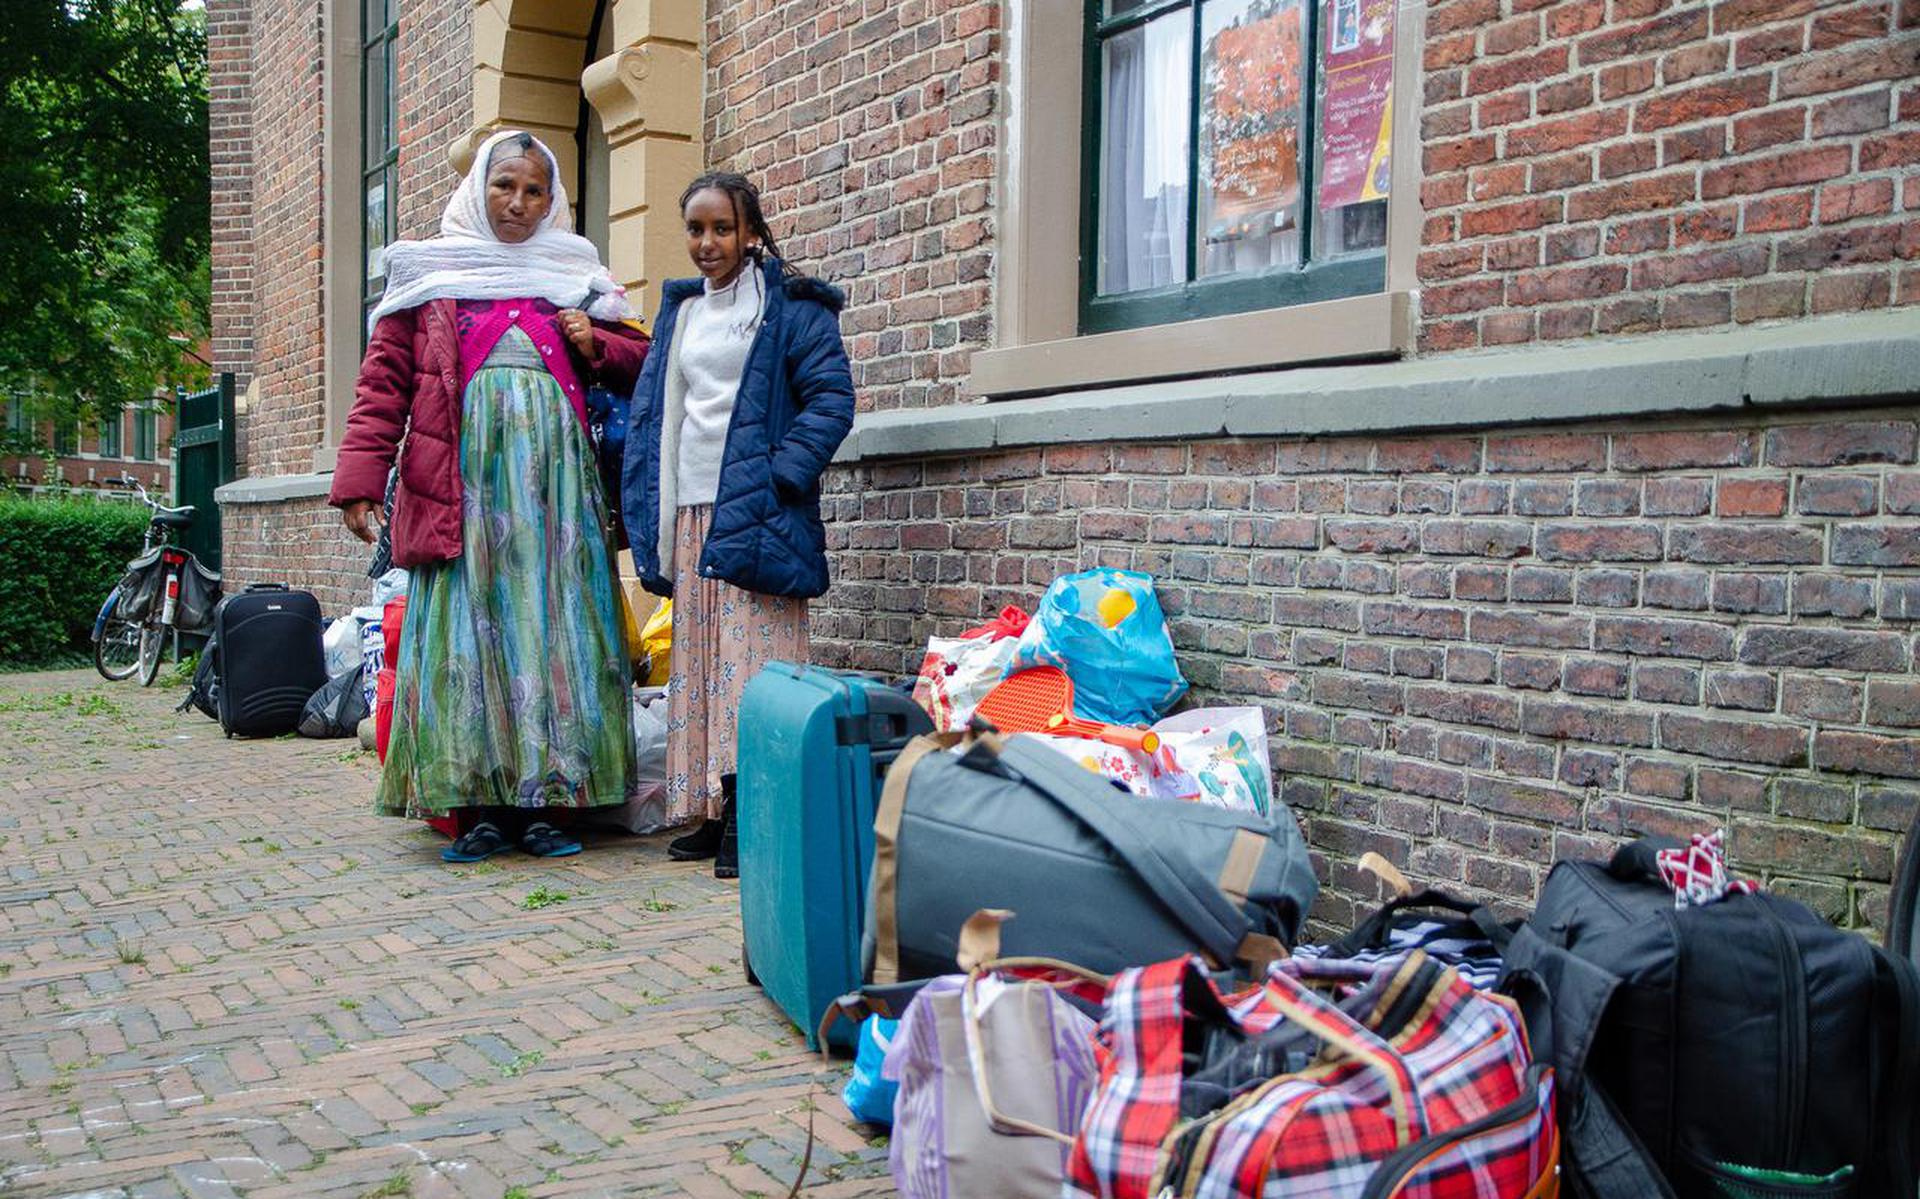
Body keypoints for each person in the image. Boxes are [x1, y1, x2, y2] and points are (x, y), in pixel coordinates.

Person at [329, 129, 650, 862]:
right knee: (470, 635)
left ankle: (552, 803)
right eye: (505, 185)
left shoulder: (573, 272)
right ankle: (477, 804)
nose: (519, 202)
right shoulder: (431, 275)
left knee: (554, 630)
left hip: (555, 499)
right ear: (480, 186)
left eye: (535, 190)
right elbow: (382, 387)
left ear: (552, 198)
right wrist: (358, 482)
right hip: (462, 491)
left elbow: (641, 357)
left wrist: (596, 343)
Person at [621, 171, 856, 878]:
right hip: (693, 514)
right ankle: (715, 809)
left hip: (759, 512)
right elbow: (661, 412)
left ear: (751, 231)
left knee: (754, 669)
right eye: (695, 228)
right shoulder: (684, 314)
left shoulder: (790, 307)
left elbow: (831, 400)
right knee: (699, 667)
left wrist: (782, 477)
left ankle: (757, 811)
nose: (708, 242)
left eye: (723, 228)